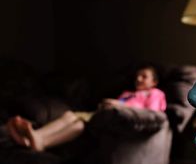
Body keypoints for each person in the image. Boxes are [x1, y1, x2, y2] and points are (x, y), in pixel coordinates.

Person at [6, 65, 166, 152]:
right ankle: (34, 137)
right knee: (70, 115)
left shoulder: (154, 93)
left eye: (144, 76)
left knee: (79, 125)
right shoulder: (127, 93)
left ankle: (37, 141)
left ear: (154, 82)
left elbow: (153, 113)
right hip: (102, 115)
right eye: (137, 75)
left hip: (119, 118)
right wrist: (107, 104)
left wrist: (120, 105)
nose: (138, 78)